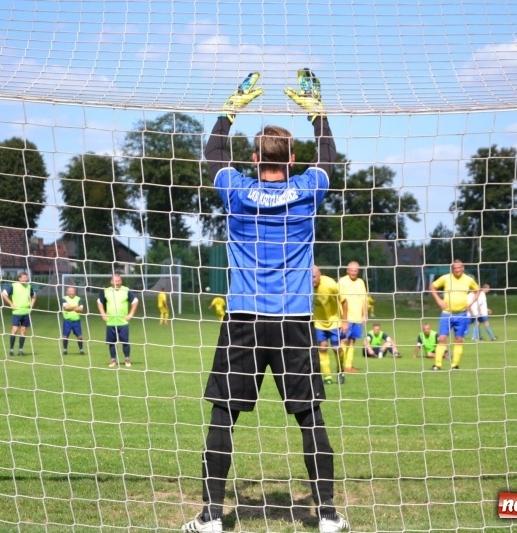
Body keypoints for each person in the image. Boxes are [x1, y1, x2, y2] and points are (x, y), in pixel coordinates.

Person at [183, 70, 347, 533]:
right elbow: (330, 159)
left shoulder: (234, 188)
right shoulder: (310, 187)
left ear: (254, 159)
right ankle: (329, 516)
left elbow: (213, 153)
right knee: (310, 416)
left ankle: (212, 517)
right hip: (294, 318)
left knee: (223, 414)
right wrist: (318, 114)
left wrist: (228, 111)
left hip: (244, 319)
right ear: (293, 160)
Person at [429, 259, 479, 370]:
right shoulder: (446, 278)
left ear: (463, 267)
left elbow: (477, 290)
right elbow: (432, 287)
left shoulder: (468, 279)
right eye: (455, 268)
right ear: (452, 269)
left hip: (461, 315)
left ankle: (455, 365)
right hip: (447, 314)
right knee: (442, 338)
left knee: (459, 339)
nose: (457, 270)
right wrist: (439, 300)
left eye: (459, 268)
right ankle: (437, 365)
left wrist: (471, 303)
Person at [96, 272, 139, 368]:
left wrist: (131, 314)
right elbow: (99, 302)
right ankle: (113, 360)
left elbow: (135, 301)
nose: (117, 282)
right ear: (111, 281)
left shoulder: (126, 290)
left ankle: (127, 359)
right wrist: (103, 314)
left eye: (119, 280)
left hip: (123, 322)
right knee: (112, 342)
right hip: (111, 322)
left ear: (121, 281)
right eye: (115, 281)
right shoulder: (106, 291)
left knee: (125, 341)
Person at [313, 265, 343, 385]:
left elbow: (343, 301)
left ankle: (340, 370)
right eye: (310, 277)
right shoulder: (305, 285)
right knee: (322, 348)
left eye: (314, 276)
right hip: (319, 322)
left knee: (337, 349)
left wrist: (344, 321)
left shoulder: (330, 285)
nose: (312, 280)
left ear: (320, 274)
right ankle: (327, 377)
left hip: (334, 320)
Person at [338, 260, 368, 377]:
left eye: (356, 270)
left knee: (352, 341)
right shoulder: (342, 282)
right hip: (346, 318)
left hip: (357, 318)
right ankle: (341, 365)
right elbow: (339, 300)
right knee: (343, 340)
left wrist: (364, 314)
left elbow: (364, 299)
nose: (353, 272)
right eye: (351, 270)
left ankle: (348, 365)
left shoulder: (361, 282)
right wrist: (342, 318)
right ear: (347, 270)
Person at [1, 271, 36, 356]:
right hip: (16, 312)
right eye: (23, 277)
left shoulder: (29, 287)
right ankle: (11, 349)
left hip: (26, 312)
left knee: (23, 331)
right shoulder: (13, 286)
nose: (25, 279)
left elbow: (34, 296)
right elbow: (3, 294)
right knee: (15, 330)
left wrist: (31, 306)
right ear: (19, 278)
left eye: (26, 277)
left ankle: (20, 350)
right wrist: (11, 303)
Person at [61, 286, 85, 355]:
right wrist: (76, 306)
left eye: (73, 291)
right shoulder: (64, 298)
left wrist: (71, 307)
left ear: (75, 292)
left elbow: (81, 309)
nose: (71, 292)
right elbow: (66, 307)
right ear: (67, 292)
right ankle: (65, 350)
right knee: (65, 336)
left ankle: (81, 350)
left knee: (79, 336)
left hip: (76, 320)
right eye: (70, 291)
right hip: (67, 320)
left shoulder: (78, 299)